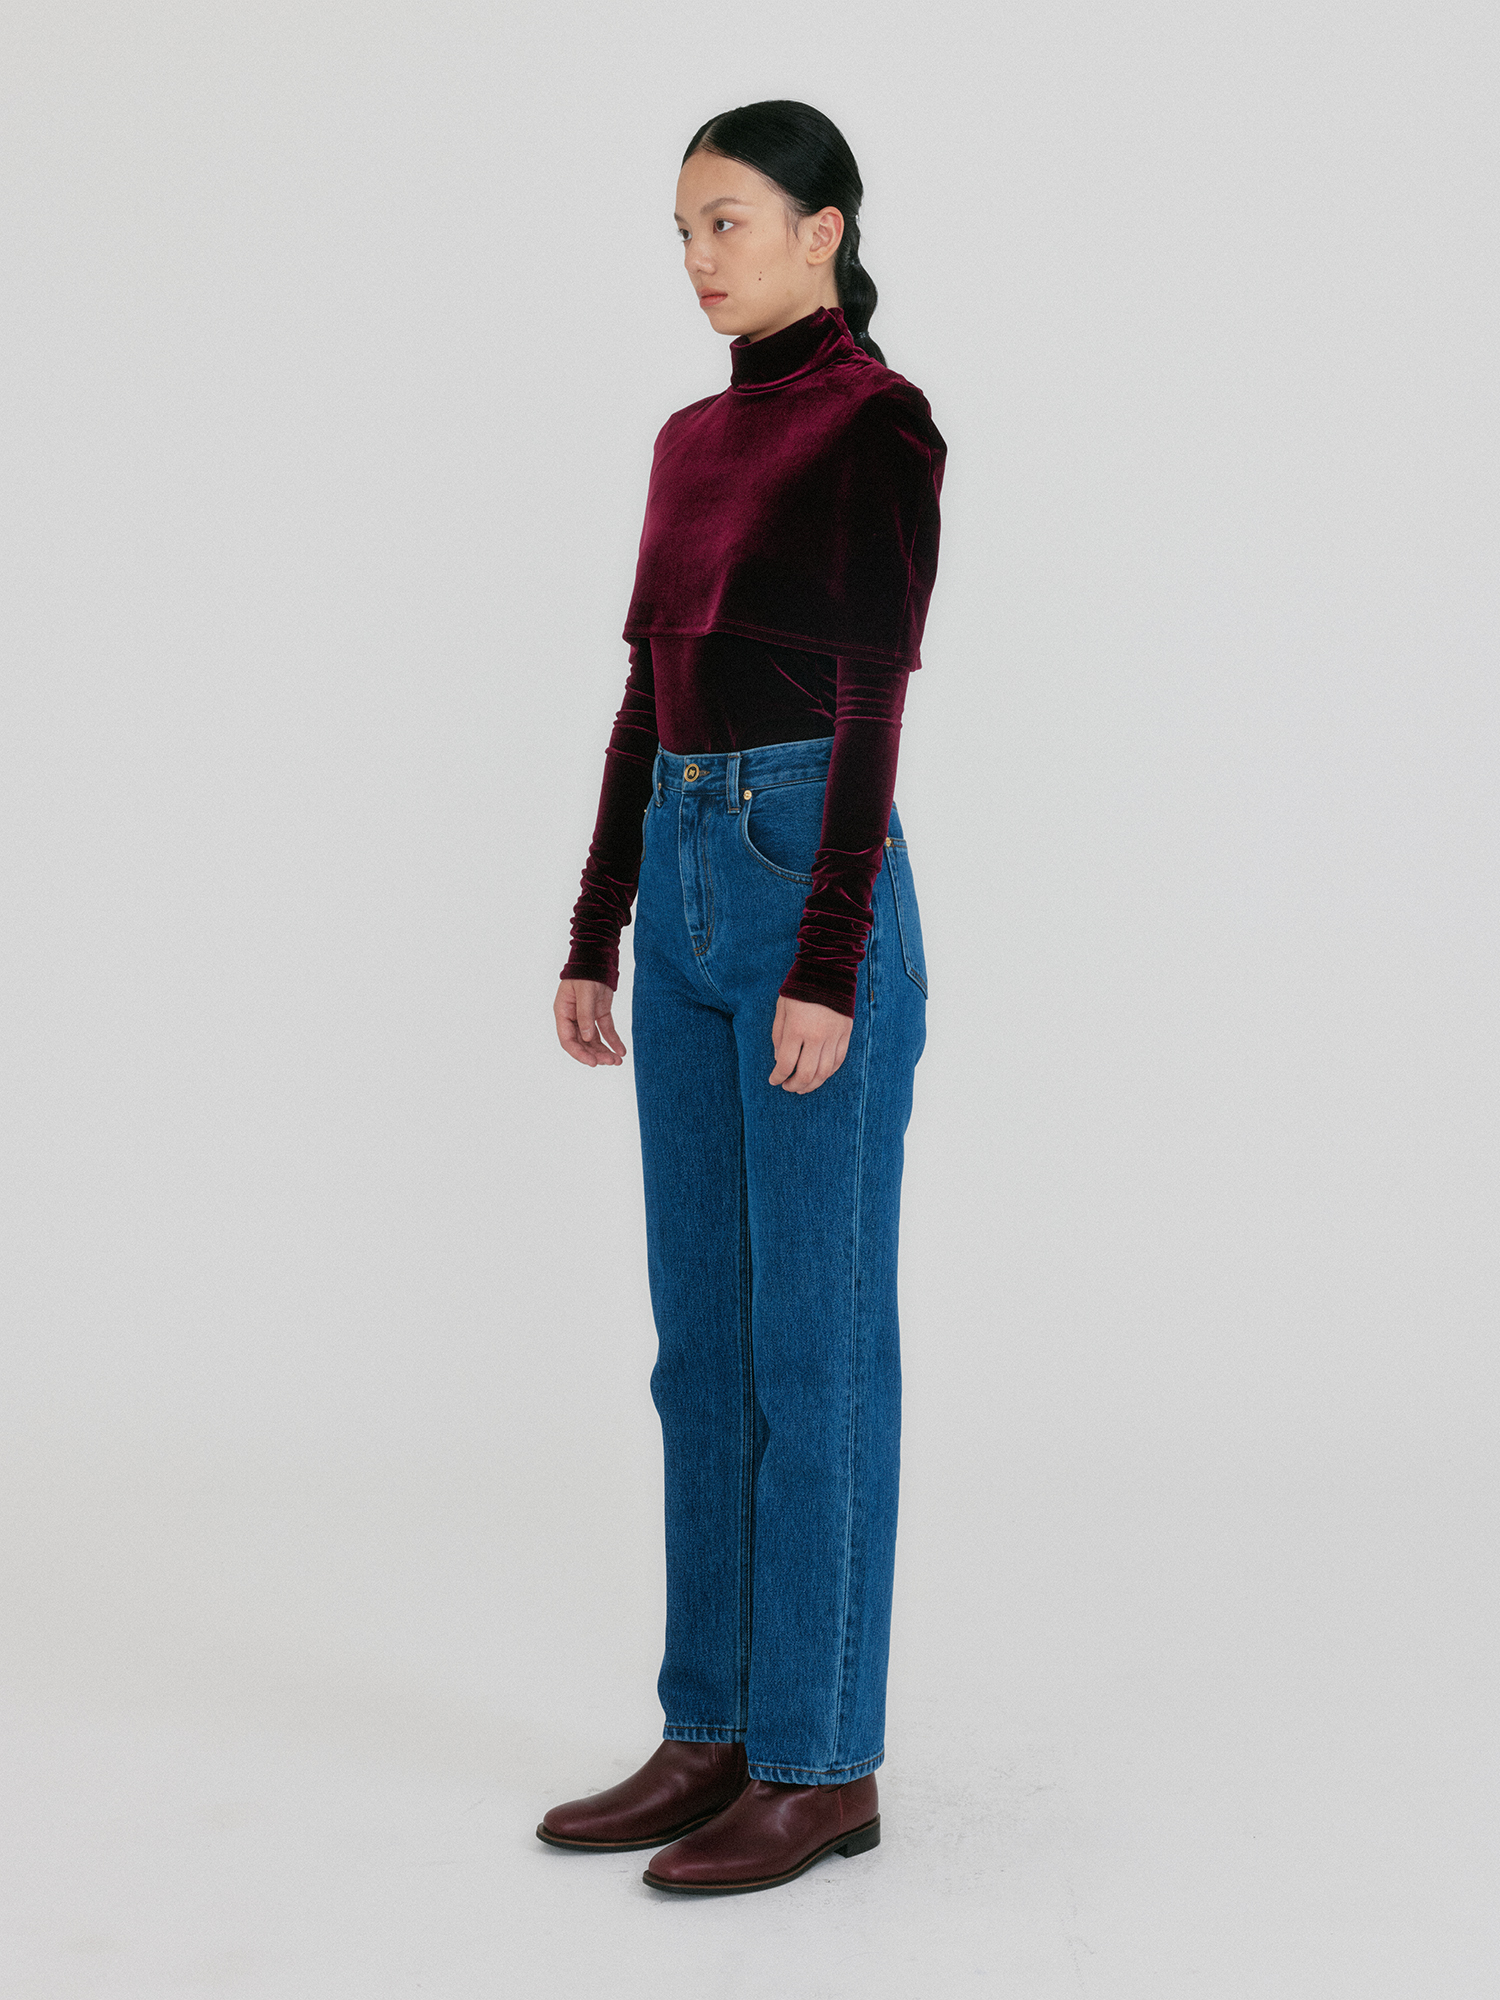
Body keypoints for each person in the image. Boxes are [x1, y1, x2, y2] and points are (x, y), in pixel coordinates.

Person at [540, 99, 946, 1896]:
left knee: (816, 1351)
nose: (700, 257)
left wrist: (828, 959)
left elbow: (869, 706)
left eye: (730, 222)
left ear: (822, 230)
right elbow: (650, 696)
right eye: (684, 229)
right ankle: (708, 1728)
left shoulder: (879, 424)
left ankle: (819, 1760)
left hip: (803, 887)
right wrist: (595, 925)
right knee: (701, 1348)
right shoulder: (687, 439)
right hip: (688, 872)